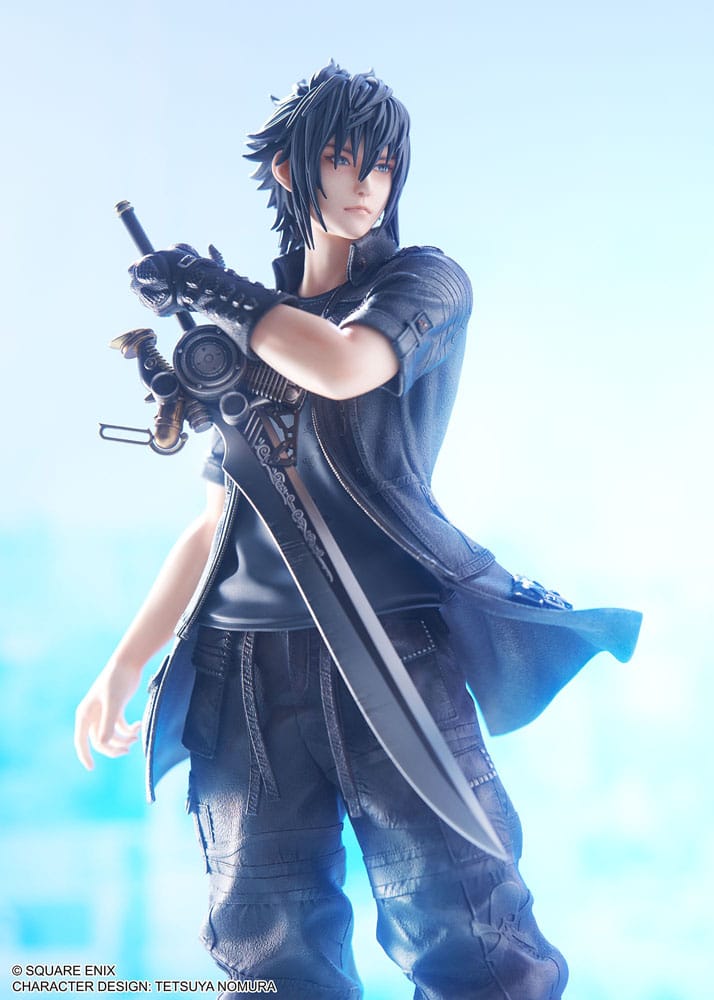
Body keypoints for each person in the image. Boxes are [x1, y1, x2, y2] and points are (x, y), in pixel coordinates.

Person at [75, 62, 640, 998]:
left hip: (390, 650)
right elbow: (216, 519)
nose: (367, 183)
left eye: (382, 164)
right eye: (343, 159)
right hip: (243, 668)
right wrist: (128, 662)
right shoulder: (248, 329)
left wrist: (218, 291)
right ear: (293, 171)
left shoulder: (424, 283)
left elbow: (342, 367)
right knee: (265, 947)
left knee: (470, 929)